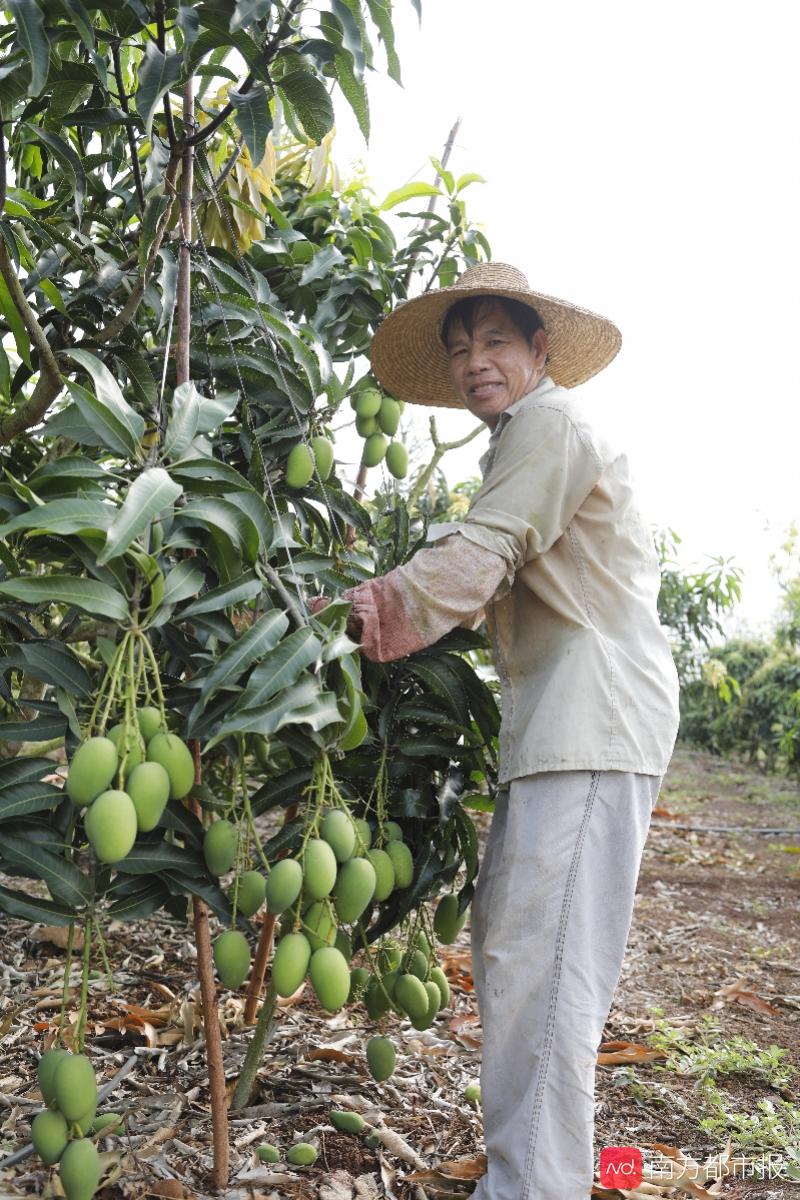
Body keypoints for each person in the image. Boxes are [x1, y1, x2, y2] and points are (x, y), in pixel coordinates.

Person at [323, 262, 680, 1200]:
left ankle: (535, 1188)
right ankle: (528, 1175)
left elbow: (483, 554)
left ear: (539, 351)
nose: (475, 362)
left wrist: (356, 612)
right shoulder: (525, 440)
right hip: (561, 727)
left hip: (591, 722)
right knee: (521, 956)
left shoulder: (552, 424)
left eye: (493, 341)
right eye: (459, 348)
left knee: (549, 970)